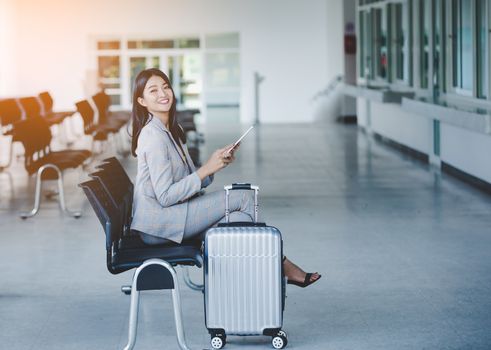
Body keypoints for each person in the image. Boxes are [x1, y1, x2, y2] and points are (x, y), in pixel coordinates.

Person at [130, 68, 321, 288]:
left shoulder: (171, 129)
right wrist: (205, 170)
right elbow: (165, 196)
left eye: (165, 86)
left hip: (173, 216)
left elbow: (189, 181)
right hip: (159, 224)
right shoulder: (153, 136)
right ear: (142, 101)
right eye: (153, 90)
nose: (163, 93)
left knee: (238, 221)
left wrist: (214, 165)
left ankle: (249, 281)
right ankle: (275, 267)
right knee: (243, 198)